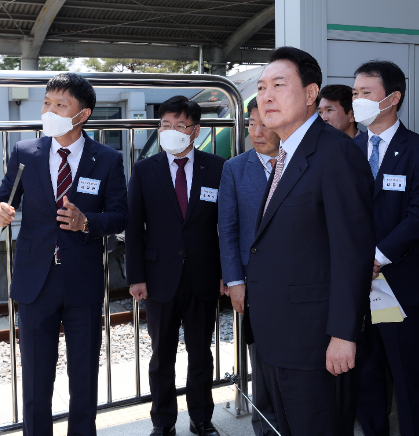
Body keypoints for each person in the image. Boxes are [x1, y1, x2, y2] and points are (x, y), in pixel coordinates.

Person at [0, 73, 128, 436]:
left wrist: (87, 222)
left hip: (81, 280)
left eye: (59, 105)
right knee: (36, 376)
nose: (49, 111)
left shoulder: (107, 159)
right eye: (47, 103)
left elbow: (120, 215)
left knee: (83, 375)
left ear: (82, 115)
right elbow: (5, 196)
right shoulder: (25, 152)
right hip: (35, 280)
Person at [248, 46, 374, 435]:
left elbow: (352, 252)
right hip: (276, 338)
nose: (265, 96)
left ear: (309, 94)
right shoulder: (286, 152)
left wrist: (342, 334)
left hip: (315, 344)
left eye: (278, 85)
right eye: (261, 87)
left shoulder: (336, 154)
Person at [125, 96, 225, 436]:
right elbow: (134, 227)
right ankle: (163, 422)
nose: (171, 131)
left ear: (195, 131)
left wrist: (228, 272)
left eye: (179, 126)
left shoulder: (217, 167)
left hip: (203, 276)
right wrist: (136, 276)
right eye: (165, 125)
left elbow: (226, 226)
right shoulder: (144, 170)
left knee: (201, 354)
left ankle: (201, 418)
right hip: (158, 278)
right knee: (161, 357)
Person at [353, 60, 419, 436]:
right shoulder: (348, 149)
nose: (358, 101)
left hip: (394, 283)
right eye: (355, 94)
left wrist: (374, 258)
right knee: (367, 373)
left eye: (366, 94)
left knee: (406, 377)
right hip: (356, 288)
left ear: (392, 98)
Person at [218, 97, 280, 436]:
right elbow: (227, 229)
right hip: (253, 283)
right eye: (251, 123)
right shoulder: (236, 168)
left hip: (294, 283)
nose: (256, 132)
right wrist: (234, 280)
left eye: (264, 124)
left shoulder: (299, 162)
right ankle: (264, 425)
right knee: (261, 361)